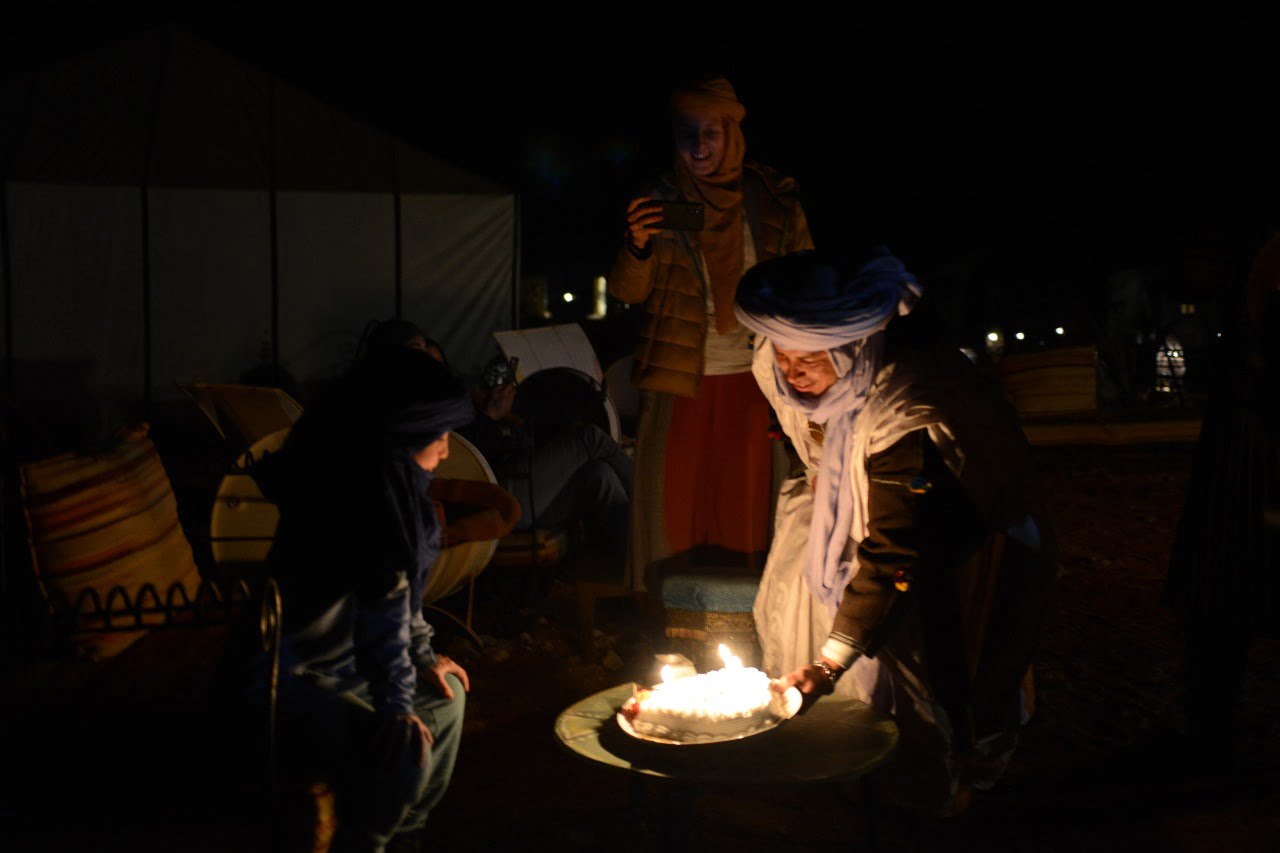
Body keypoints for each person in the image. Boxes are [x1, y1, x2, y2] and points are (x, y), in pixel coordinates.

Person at [734, 248, 1058, 816]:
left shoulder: (905, 408)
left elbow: (895, 552)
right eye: (783, 357)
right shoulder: (783, 368)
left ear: (852, 348)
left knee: (929, 665)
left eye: (808, 359)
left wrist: (831, 661)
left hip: (949, 545)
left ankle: (935, 780)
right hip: (855, 531)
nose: (792, 373)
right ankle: (844, 767)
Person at [261, 346, 476, 851]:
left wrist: (422, 656)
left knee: (447, 702)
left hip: (353, 666)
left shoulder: (395, 491)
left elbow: (405, 606)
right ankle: (369, 842)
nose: (445, 450)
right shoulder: (357, 498)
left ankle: (405, 834)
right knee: (401, 747)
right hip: (297, 677)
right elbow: (383, 612)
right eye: (440, 435)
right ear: (405, 434)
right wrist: (397, 707)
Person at [609, 74, 814, 595]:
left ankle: (747, 613)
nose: (699, 146)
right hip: (680, 380)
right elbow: (630, 293)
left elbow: (805, 282)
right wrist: (637, 245)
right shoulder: (658, 198)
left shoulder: (772, 200)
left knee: (745, 505)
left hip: (755, 376)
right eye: (687, 133)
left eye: (711, 133)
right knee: (674, 506)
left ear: (730, 135)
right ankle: (670, 620)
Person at [359, 318, 632, 571]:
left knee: (599, 475)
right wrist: (489, 417)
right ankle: (650, 499)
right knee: (590, 438)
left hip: (515, 484)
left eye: (437, 361)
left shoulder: (441, 398)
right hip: (492, 495)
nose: (432, 366)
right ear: (391, 355)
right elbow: (463, 457)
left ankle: (632, 566)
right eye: (416, 348)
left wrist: (498, 419)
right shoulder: (405, 405)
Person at [1168, 229, 1280, 767]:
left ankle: (1210, 735)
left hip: (1246, 456)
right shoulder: (1260, 266)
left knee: (1222, 608)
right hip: (1245, 460)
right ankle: (1209, 737)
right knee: (1221, 607)